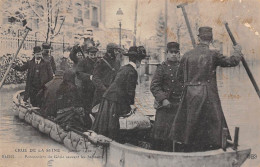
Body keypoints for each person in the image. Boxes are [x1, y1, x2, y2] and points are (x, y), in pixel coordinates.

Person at [169, 27, 243, 152]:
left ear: (198, 38)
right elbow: (232, 61)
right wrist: (238, 51)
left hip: (190, 95)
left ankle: (189, 149)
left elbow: (179, 78)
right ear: (211, 39)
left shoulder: (187, 55)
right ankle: (212, 149)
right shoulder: (213, 54)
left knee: (190, 124)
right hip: (208, 95)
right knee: (211, 125)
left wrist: (190, 84)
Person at [92, 46, 146, 140]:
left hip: (108, 97)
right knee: (113, 124)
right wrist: (131, 104)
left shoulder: (123, 68)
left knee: (104, 123)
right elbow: (130, 90)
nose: (140, 64)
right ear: (138, 61)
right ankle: (113, 142)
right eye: (140, 62)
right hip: (115, 101)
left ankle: (102, 139)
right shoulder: (132, 71)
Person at [150, 42, 183, 152]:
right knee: (161, 134)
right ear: (167, 53)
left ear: (179, 53)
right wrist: (163, 99)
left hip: (179, 106)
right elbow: (154, 86)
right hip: (165, 107)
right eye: (171, 52)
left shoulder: (183, 67)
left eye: (176, 52)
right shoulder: (161, 68)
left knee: (178, 134)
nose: (174, 54)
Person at [92, 43, 121, 108]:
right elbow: (95, 78)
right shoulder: (101, 62)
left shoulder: (117, 62)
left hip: (112, 94)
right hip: (101, 94)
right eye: (115, 51)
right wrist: (104, 89)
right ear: (110, 51)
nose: (117, 53)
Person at [75, 46, 99, 112]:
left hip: (97, 88)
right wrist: (89, 77)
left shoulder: (100, 61)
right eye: (91, 55)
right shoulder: (83, 62)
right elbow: (78, 73)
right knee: (87, 108)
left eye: (95, 55)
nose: (93, 57)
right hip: (86, 89)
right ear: (88, 54)